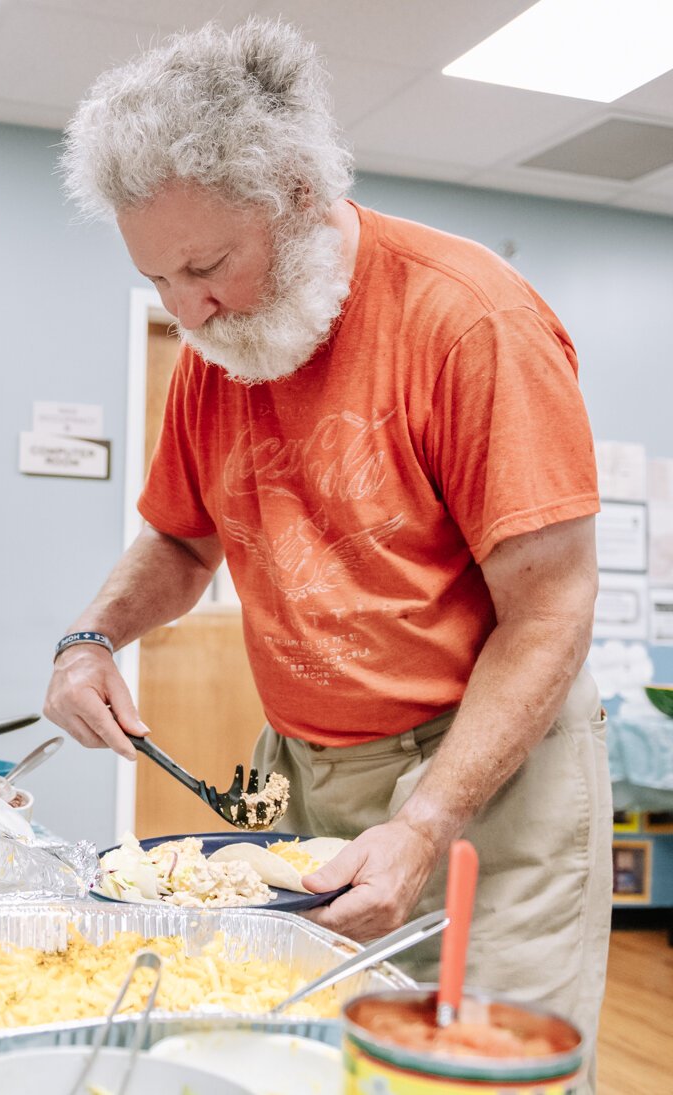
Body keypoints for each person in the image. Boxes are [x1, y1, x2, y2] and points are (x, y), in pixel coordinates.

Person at [45, 18, 609, 1049]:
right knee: (308, 1056)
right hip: (307, 772)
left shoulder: (466, 319)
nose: (188, 308)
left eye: (205, 265)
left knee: (466, 1063)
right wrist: (88, 641)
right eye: (157, 280)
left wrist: (426, 824)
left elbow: (553, 610)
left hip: (490, 775)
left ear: (299, 198)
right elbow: (180, 545)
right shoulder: (216, 352)